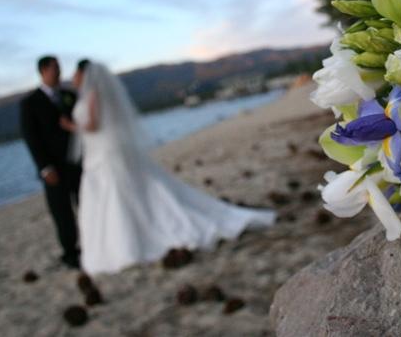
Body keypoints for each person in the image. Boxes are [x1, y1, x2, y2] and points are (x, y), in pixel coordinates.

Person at [60, 60, 276, 274]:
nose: (74, 78)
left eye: (76, 74)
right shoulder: (94, 93)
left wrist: (70, 126)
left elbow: (93, 124)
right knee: (121, 193)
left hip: (104, 152)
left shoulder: (94, 93)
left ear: (85, 74)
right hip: (100, 151)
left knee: (115, 194)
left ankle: (124, 243)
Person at [19, 55, 82, 269]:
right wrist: (44, 168)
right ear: (43, 71)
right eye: (55, 68)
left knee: (85, 204)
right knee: (62, 212)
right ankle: (70, 253)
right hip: (53, 168)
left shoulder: (69, 95)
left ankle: (92, 244)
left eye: (60, 67)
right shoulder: (30, 103)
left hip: (77, 163)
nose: (59, 72)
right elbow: (31, 138)